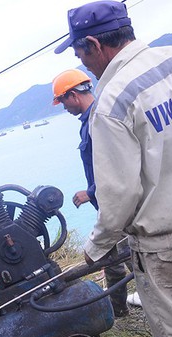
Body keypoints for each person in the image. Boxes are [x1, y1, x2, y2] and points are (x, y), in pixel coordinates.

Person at [55, 1, 172, 337]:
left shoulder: (113, 102)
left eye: (80, 54)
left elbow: (120, 194)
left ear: (94, 44)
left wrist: (95, 250)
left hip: (168, 239)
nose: (85, 63)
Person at [52, 68, 130, 317]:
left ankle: (132, 308)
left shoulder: (98, 121)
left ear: (73, 95)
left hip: (116, 206)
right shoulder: (89, 122)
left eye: (63, 101)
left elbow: (116, 165)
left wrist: (91, 192)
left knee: (129, 257)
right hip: (107, 205)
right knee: (114, 259)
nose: (64, 107)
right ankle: (120, 310)